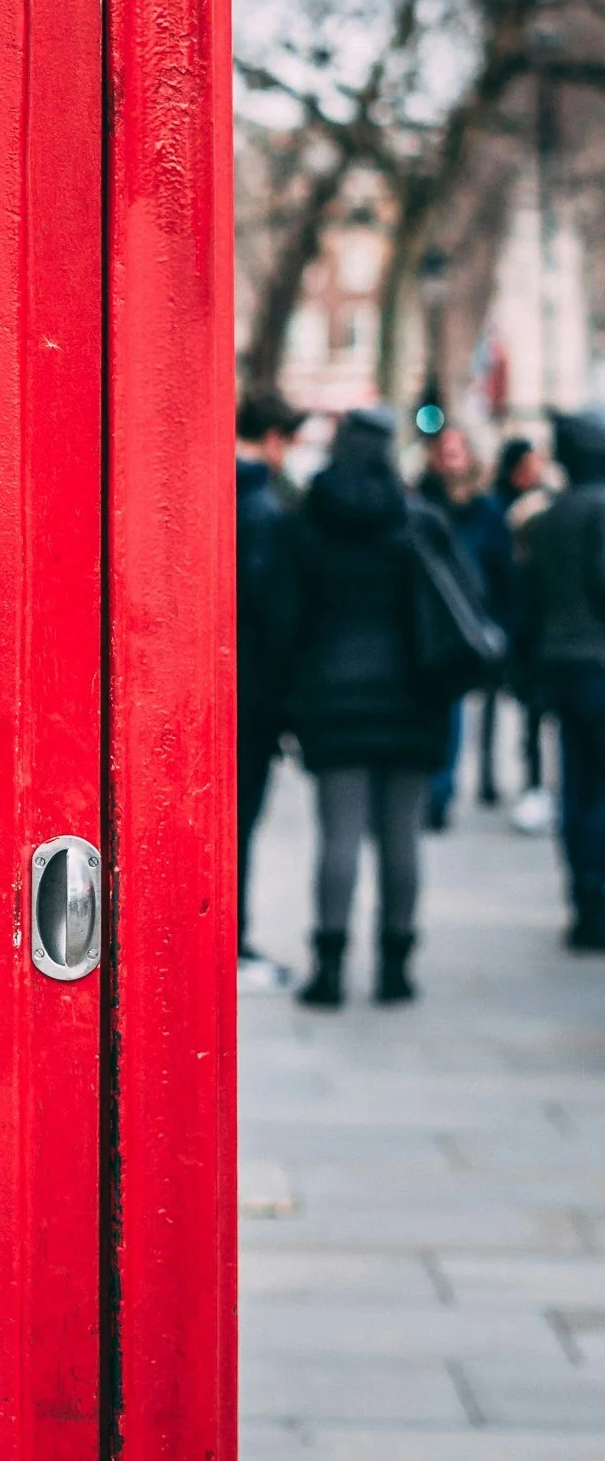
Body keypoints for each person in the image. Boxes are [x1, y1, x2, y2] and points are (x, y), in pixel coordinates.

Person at [269, 406, 483, 1006]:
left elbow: (284, 619)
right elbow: (468, 598)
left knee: (337, 835)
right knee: (401, 837)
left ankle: (330, 968)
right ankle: (395, 968)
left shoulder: (308, 523)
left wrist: (288, 703)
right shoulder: (420, 521)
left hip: (332, 698)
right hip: (414, 697)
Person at [511, 412, 605, 951]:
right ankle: (595, 901)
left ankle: (583, 895)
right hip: (596, 662)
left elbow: (533, 600)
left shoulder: (549, 515)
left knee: (576, 783)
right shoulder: (597, 510)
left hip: (561, 664)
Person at [236, 390, 304, 989]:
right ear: (277, 438)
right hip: (251, 695)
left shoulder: (209, 488)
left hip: (202, 688)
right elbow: (274, 614)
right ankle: (228, 941)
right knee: (240, 822)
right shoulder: (262, 507)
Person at [417, 426, 511, 832]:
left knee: (462, 711)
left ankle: (449, 788)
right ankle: (435, 791)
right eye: (445, 451)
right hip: (428, 626)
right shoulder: (419, 504)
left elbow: (502, 570)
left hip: (472, 625)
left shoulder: (485, 512)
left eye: (458, 451)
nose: (451, 459)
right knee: (440, 710)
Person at [486, 436, 555, 832]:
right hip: (517, 624)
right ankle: (513, 781)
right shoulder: (502, 509)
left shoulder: (545, 506)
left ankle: (536, 785)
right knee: (522, 711)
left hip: (535, 626)